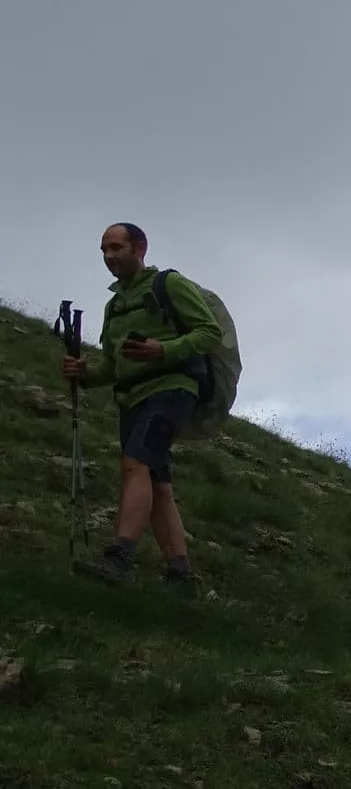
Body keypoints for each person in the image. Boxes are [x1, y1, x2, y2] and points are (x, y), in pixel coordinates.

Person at [61, 222, 222, 595]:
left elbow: (208, 332)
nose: (109, 256)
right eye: (103, 250)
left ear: (139, 248)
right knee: (156, 483)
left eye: (116, 247)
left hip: (172, 389)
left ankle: (120, 557)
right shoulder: (114, 305)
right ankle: (181, 577)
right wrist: (85, 373)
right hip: (132, 397)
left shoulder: (169, 285)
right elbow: (115, 365)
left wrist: (162, 350)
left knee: (136, 465)